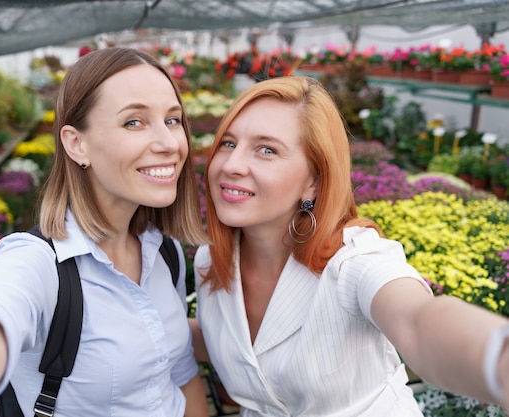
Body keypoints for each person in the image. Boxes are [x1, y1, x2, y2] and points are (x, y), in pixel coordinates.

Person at [0, 46, 210, 417]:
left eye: (173, 120)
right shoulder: (38, 264)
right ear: (77, 144)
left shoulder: (165, 253)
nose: (169, 144)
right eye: (134, 122)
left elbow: (179, 376)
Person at [190, 75, 509, 416]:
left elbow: (418, 322)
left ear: (313, 180)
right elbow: (238, 347)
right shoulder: (212, 261)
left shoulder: (353, 261)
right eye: (227, 143)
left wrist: (498, 361)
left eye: (267, 149)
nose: (231, 165)